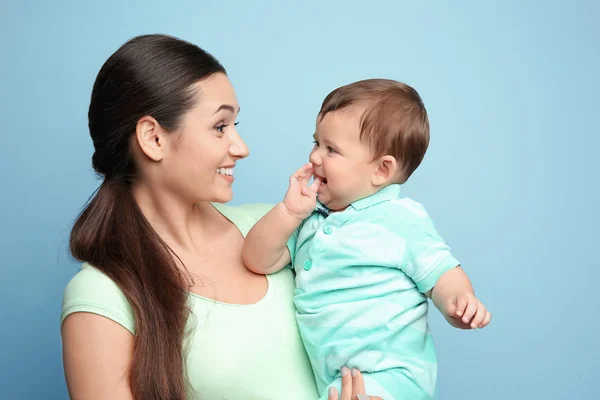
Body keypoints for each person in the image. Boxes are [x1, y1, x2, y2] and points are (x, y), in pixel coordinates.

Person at [61, 34, 381, 400]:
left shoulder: (277, 231)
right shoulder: (102, 296)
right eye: (219, 127)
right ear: (153, 138)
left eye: (235, 126)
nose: (240, 148)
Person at [242, 79, 492, 399]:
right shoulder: (309, 219)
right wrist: (289, 212)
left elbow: (442, 273)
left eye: (331, 149)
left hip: (393, 375)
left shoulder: (401, 219)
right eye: (316, 143)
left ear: (382, 171)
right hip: (335, 380)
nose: (315, 157)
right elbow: (257, 259)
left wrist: (458, 302)